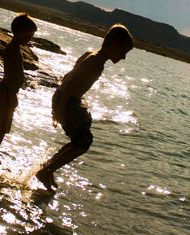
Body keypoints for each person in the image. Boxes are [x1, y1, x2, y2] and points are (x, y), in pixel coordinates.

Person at [36, 24, 133, 191]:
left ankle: (48, 168)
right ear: (113, 45)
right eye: (123, 52)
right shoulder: (96, 62)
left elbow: (68, 77)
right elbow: (70, 83)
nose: (123, 57)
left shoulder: (91, 55)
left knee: (81, 140)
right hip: (66, 100)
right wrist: (61, 109)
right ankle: (46, 170)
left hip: (64, 98)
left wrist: (76, 100)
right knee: (83, 143)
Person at [0, 13, 37, 156]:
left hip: (4, 91)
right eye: (29, 35)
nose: (30, 38)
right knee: (1, 129)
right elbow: (10, 75)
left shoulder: (15, 48)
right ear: (19, 32)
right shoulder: (13, 49)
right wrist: (12, 96)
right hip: (6, 91)